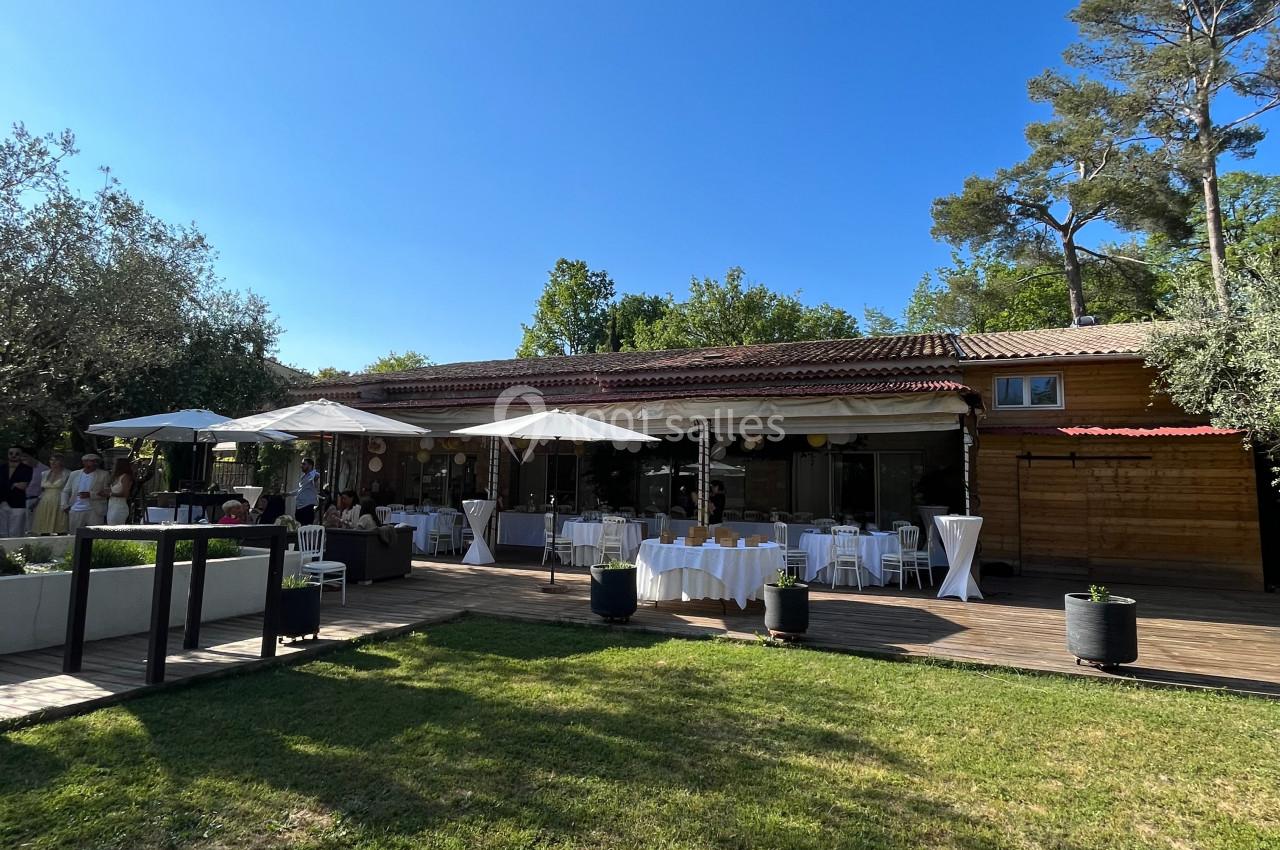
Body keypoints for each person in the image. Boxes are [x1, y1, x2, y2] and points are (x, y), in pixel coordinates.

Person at [61, 453, 111, 532]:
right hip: (76, 509)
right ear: (84, 462)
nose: (94, 463)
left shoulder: (104, 474)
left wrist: (91, 494)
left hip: (95, 510)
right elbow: (66, 491)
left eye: (96, 461)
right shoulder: (74, 474)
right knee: (75, 534)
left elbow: (107, 492)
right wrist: (64, 505)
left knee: (95, 535)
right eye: (91, 461)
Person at [0, 446, 34, 537]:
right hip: (2, 502)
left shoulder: (26, 469)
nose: (13, 456)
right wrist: (14, 484)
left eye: (17, 453)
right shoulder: (2, 468)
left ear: (21, 455)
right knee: (2, 532)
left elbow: (23, 486)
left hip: (17, 503)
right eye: (11, 453)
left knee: (16, 531)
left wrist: (11, 485)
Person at [32, 453, 69, 535]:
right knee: (44, 528)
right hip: (45, 501)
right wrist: (37, 501)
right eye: (51, 460)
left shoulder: (68, 473)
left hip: (60, 500)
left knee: (61, 527)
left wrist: (67, 504)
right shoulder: (44, 473)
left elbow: (69, 490)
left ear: (62, 462)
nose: (53, 462)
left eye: (56, 460)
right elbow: (43, 490)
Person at [22, 448, 47, 525]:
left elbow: (46, 489)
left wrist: (37, 502)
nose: (23, 458)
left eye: (25, 456)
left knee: (33, 526)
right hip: (21, 501)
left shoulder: (44, 470)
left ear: (33, 456)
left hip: (36, 501)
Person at [106, 458, 134, 525]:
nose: (113, 466)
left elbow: (125, 494)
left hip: (119, 507)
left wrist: (110, 494)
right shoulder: (116, 477)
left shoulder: (125, 477)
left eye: (114, 464)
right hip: (111, 506)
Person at [294, 458, 320, 524]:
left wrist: (315, 479)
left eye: (304, 464)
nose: (301, 466)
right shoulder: (303, 477)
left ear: (310, 466)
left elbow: (316, 476)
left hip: (307, 507)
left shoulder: (314, 474)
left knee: (306, 528)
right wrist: (288, 494)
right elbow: (300, 490)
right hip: (299, 507)